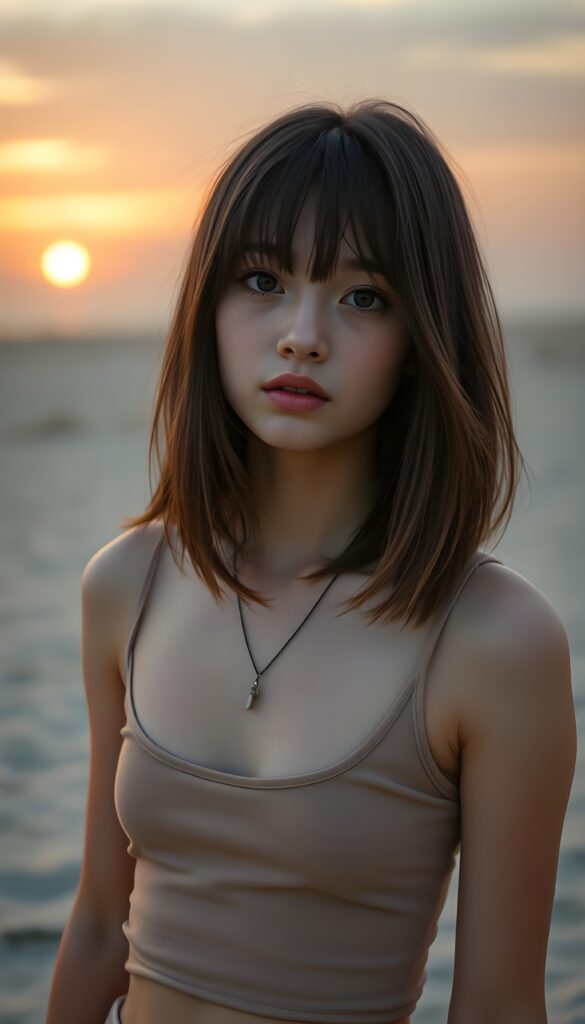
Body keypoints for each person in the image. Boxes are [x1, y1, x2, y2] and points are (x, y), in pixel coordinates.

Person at [46, 99, 576, 1024]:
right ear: (206, 305)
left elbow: (495, 1002)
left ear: (421, 342)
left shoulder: (494, 642)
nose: (300, 333)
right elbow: (98, 926)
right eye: (260, 279)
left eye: (362, 297)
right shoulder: (126, 586)